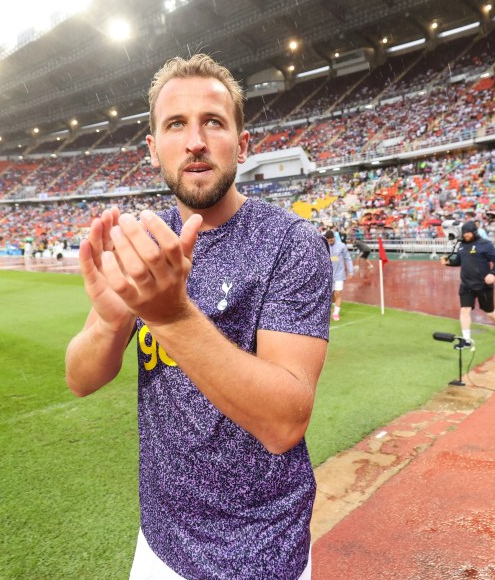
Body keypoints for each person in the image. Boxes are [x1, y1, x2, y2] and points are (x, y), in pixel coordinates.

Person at [64, 54, 332, 579]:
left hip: (260, 552)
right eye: (175, 125)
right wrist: (110, 321)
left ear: (242, 142)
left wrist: (172, 317)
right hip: (160, 543)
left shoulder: (290, 244)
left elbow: (285, 422)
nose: (194, 141)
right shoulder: (143, 243)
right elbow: (79, 378)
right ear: (153, 148)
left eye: (213, 121)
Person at [441, 221, 495, 347]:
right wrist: (448, 262)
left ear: (474, 232)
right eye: (464, 233)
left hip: (483, 285)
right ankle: (466, 340)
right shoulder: (461, 245)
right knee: (465, 310)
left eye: (468, 233)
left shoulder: (485, 244)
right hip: (466, 284)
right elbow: (459, 261)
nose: (466, 235)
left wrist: (493, 273)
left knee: (489, 311)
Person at [325, 229, 354, 321]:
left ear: (334, 237)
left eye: (331, 240)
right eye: (328, 241)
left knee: (338, 293)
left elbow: (348, 258)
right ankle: (334, 306)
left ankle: (336, 313)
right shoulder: (325, 246)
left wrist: (351, 271)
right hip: (329, 275)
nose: (330, 242)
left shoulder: (342, 246)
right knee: (332, 295)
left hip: (339, 274)